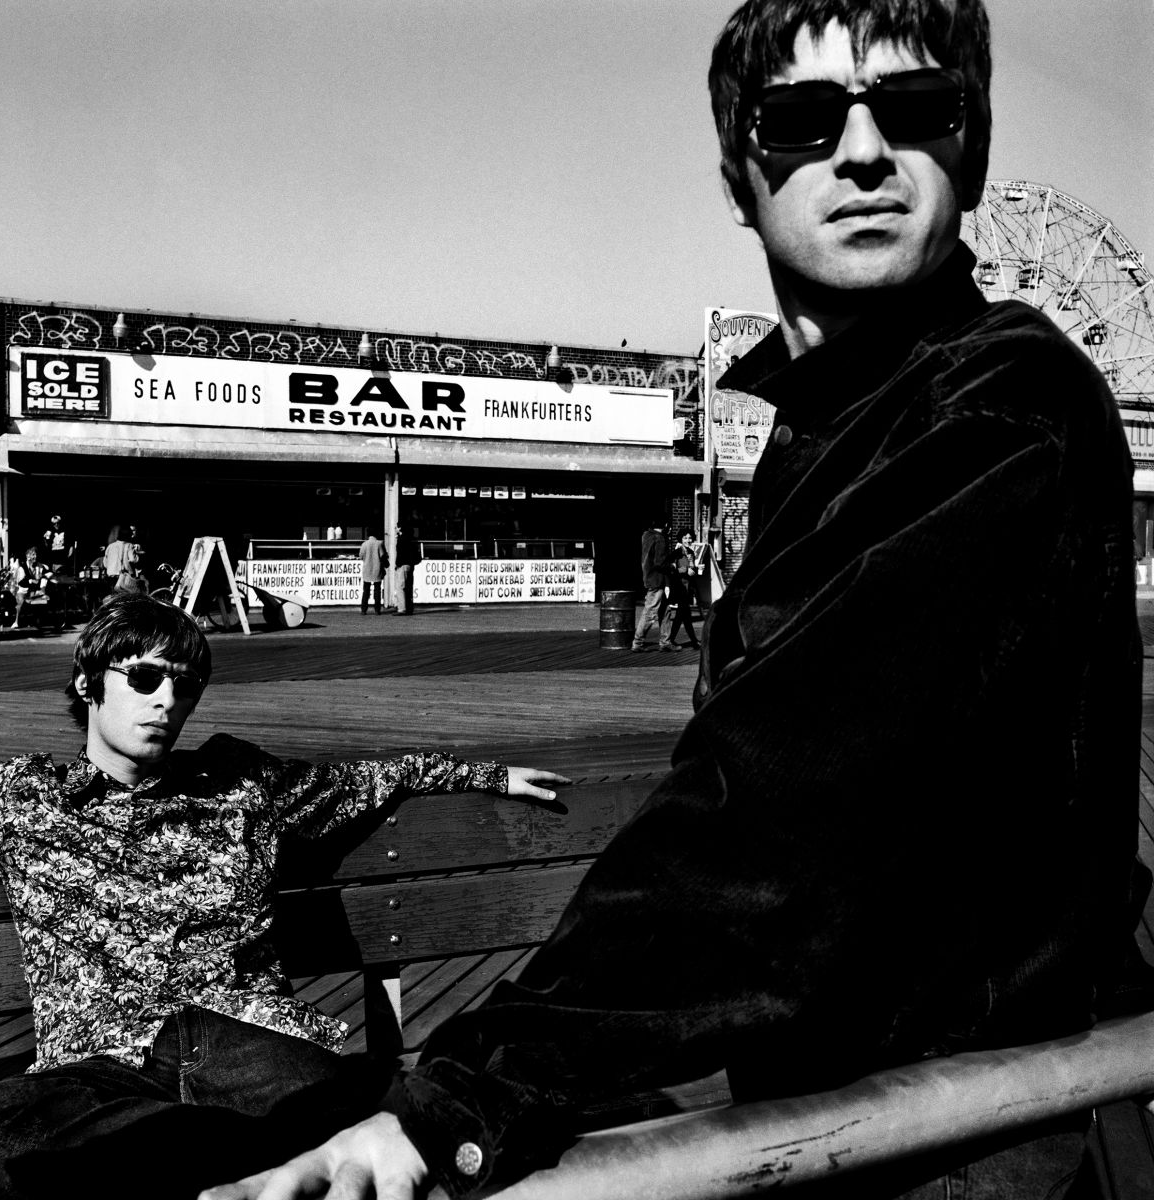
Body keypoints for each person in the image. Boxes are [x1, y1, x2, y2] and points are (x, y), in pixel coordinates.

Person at [205, 2, 1154, 1198]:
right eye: (803, 119)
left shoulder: (998, 407)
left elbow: (780, 809)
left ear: (971, 145)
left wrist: (464, 1095)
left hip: (945, 1135)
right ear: (738, 171)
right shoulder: (845, 421)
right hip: (840, 1097)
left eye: (913, 110)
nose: (863, 152)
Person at [0, 593, 568, 1200]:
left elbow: (365, 780)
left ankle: (217, 1161)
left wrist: (488, 775)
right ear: (89, 683)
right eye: (144, 678)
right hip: (104, 1065)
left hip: (247, 1044)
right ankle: (237, 1154)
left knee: (362, 1107)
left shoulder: (238, 780)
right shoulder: (18, 795)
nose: (167, 702)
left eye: (186, 687)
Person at [630, 516, 675, 651]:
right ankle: (638, 642)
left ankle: (665, 642)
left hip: (650, 577)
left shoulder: (646, 536)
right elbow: (660, 562)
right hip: (658, 579)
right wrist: (672, 565)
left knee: (665, 610)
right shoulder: (660, 538)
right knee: (651, 611)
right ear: (665, 525)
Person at [103, 524, 142, 593]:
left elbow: (105, 563)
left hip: (110, 576)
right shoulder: (129, 545)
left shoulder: (110, 546)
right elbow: (133, 559)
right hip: (122, 577)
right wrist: (137, 556)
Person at [392, 525, 421, 615]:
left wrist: (397, 564)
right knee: (408, 587)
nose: (395, 528)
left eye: (396, 527)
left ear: (400, 528)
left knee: (400, 587)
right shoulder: (412, 540)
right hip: (410, 566)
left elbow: (400, 554)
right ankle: (409, 608)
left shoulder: (401, 540)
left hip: (403, 566)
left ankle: (402, 608)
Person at [359, 530, 387, 614]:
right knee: (377, 590)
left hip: (367, 569)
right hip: (377, 568)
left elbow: (361, 556)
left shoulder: (364, 544)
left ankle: (364, 610)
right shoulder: (379, 543)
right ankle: (377, 610)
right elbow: (382, 556)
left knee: (366, 590)